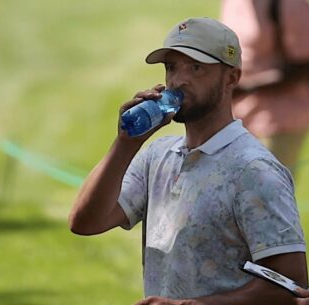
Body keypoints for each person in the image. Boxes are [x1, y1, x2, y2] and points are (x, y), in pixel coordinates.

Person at [69, 17, 308, 305]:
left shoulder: (254, 170)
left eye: (196, 68)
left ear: (231, 77)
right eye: (172, 67)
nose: (179, 80)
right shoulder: (156, 156)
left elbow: (291, 286)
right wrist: (124, 145)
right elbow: (85, 223)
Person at [220, 0, 309, 175]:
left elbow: (303, 65)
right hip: (236, 118)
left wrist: (245, 88)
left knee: (266, 194)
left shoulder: (289, 4)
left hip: (278, 122)